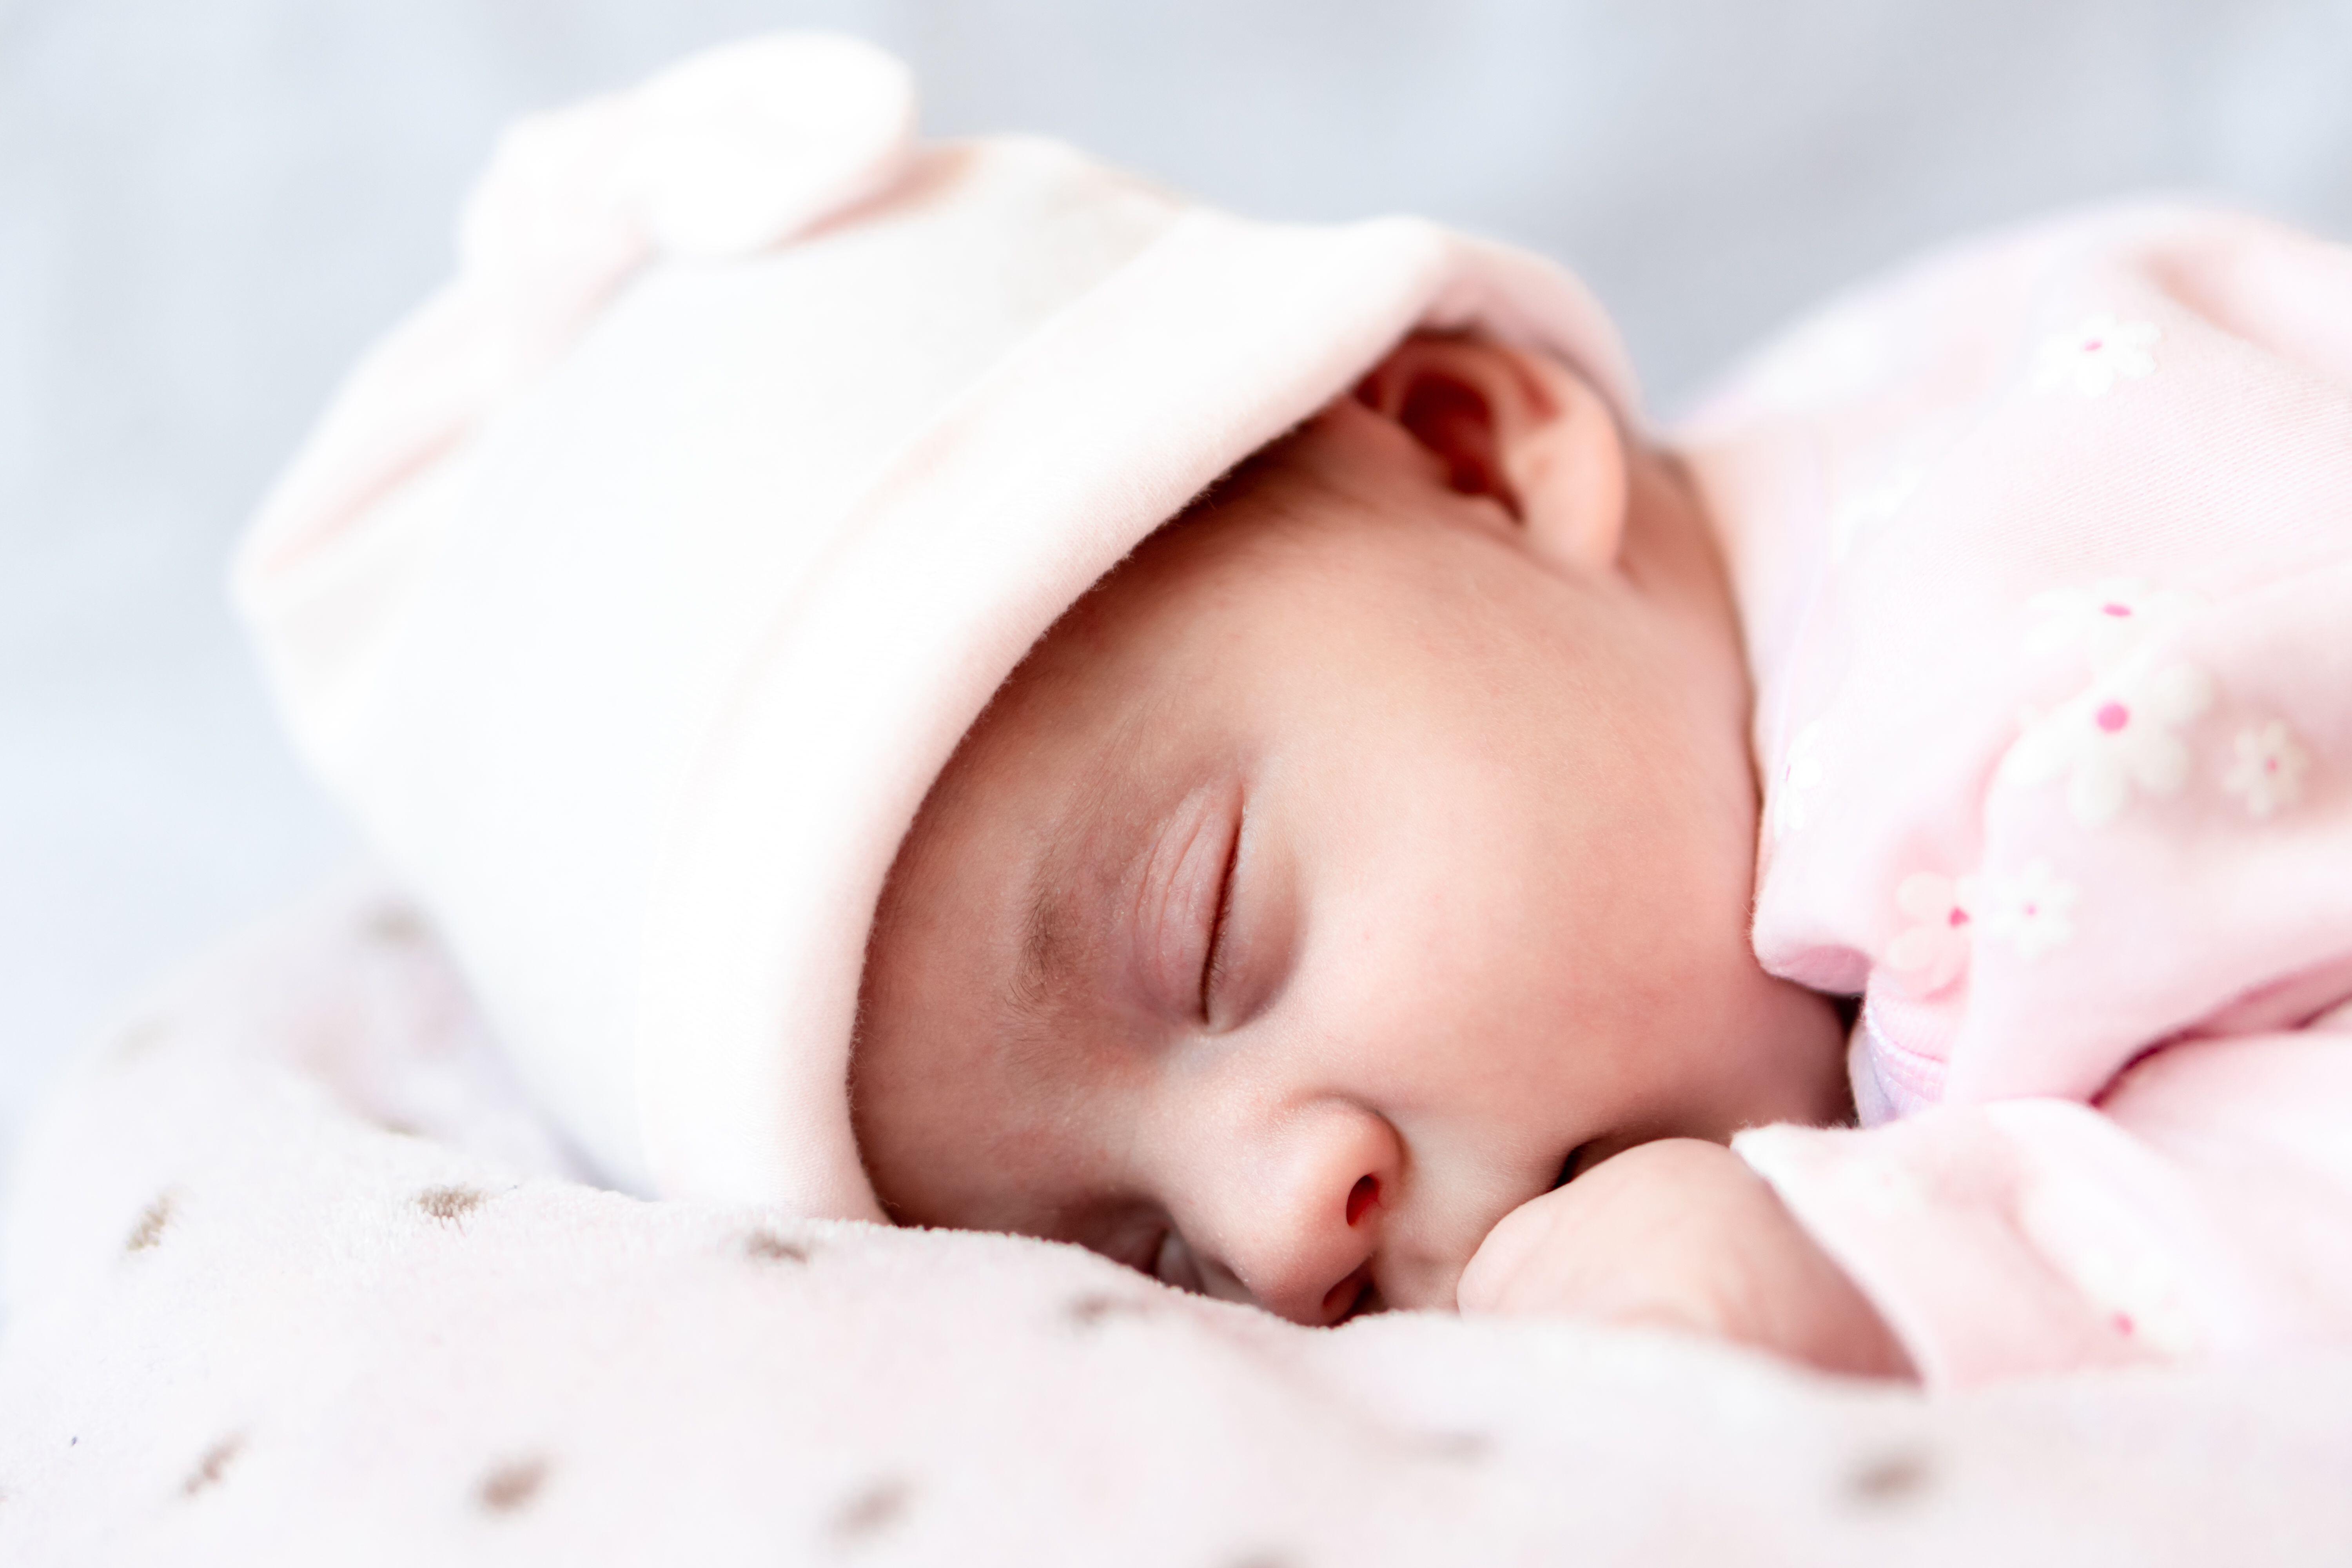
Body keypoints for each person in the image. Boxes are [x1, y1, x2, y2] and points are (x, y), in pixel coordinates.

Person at [237, 34, 2352, 1390]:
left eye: (1220, 935)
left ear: (1473, 446)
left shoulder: (2051, 696)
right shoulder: (1694, 647)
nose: (1273, 1232)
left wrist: (1908, 1279)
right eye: (1138, 1249)